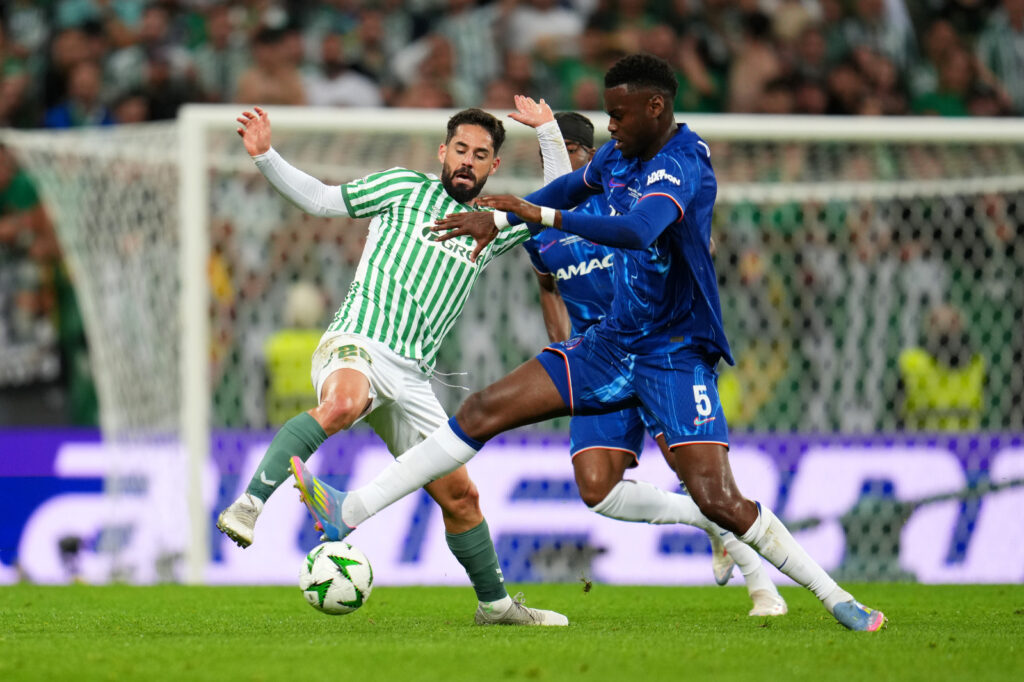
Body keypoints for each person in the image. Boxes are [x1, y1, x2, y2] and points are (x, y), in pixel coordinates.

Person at [291, 54, 887, 632]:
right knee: (483, 412)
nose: (611, 126)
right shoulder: (616, 160)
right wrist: (498, 219)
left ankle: (836, 598)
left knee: (718, 499)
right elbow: (568, 188)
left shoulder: (682, 163)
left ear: (655, 108)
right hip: (610, 342)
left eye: (619, 115)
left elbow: (639, 229)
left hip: (674, 351)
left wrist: (536, 214)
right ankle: (350, 509)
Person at [217, 105, 567, 626]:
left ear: (493, 166)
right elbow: (322, 199)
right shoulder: (404, 187)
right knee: (343, 403)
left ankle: (495, 606)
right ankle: (248, 504)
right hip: (357, 341)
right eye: (461, 150)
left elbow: (555, 202)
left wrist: (548, 132)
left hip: (413, 376)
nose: (467, 161)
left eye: (480, 155)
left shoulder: (493, 221)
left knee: (460, 495)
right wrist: (266, 156)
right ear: (442, 152)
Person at [514, 101, 786, 617]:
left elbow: (682, 243)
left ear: (589, 155)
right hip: (599, 360)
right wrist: (563, 350)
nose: (557, 164)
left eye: (567, 153)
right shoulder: (541, 225)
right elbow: (549, 289)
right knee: (596, 488)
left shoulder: (625, 201)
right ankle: (705, 523)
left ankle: (763, 587)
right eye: (550, 155)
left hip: (657, 349)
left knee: (700, 475)